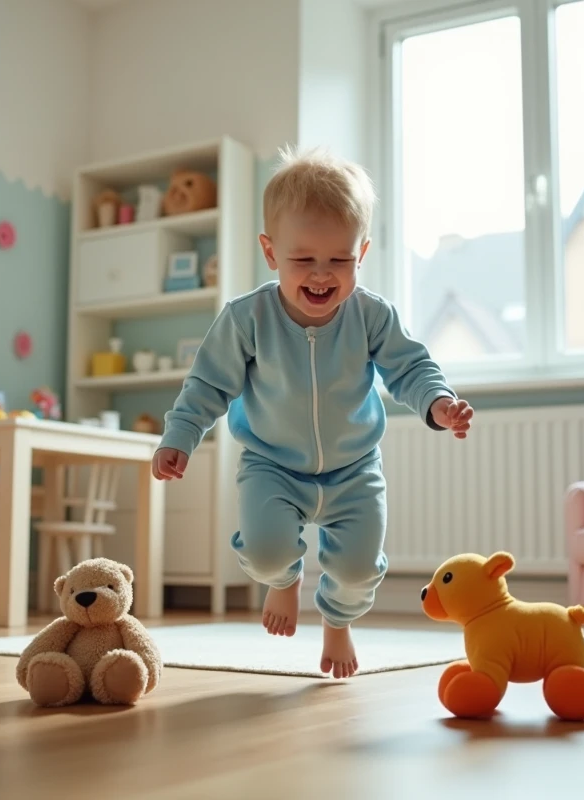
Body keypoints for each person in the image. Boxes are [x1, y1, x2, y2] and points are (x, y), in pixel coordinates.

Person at [151, 146, 474, 678]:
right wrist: (179, 436)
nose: (322, 275)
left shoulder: (371, 315)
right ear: (270, 251)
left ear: (361, 253)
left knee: (357, 568)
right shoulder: (247, 318)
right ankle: (285, 580)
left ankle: (337, 621)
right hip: (272, 465)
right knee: (266, 551)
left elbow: (411, 367)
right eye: (303, 260)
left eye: (339, 260)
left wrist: (438, 404)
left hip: (354, 468)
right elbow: (207, 383)